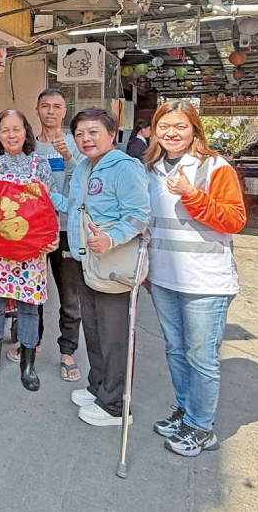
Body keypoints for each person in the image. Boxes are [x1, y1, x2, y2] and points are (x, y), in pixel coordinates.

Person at [143, 100, 246, 456]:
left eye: (180, 126)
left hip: (205, 281)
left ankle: (202, 427)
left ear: (194, 130)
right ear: (154, 131)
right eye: (164, 126)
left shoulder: (215, 167)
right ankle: (187, 413)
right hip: (163, 277)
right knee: (175, 349)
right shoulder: (150, 168)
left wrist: (192, 195)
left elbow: (235, 220)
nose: (171, 133)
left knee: (201, 357)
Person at [64, 108, 151, 427]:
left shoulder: (125, 167)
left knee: (114, 336)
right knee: (94, 329)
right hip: (86, 261)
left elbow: (140, 215)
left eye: (93, 132)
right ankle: (98, 386)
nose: (85, 139)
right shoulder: (84, 167)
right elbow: (75, 207)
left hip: (114, 263)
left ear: (112, 134)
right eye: (79, 134)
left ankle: (115, 405)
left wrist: (112, 238)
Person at [0, 110, 63, 391]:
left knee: (29, 309)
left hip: (30, 252)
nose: (11, 135)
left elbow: (50, 206)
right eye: (5, 130)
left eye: (16, 129)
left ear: (26, 132)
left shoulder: (38, 164)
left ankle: (28, 365)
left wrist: (53, 236)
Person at [29, 88, 84, 382]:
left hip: (65, 229)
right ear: (37, 110)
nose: (50, 111)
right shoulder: (28, 146)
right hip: (34, 230)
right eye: (45, 105)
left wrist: (68, 157)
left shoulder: (76, 144)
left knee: (70, 295)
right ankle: (32, 342)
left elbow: (84, 184)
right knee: (31, 290)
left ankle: (67, 352)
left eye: (57, 106)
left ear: (64, 111)